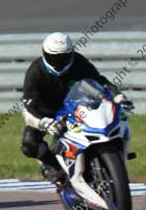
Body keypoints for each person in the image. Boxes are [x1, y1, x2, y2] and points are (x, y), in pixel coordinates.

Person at [21, 32, 133, 184]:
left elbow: (98, 81)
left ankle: (112, 155)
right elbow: (30, 106)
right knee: (29, 144)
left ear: (71, 54)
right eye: (54, 57)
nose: (59, 62)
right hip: (46, 113)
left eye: (63, 57)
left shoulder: (79, 62)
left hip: (75, 107)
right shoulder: (36, 71)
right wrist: (44, 122)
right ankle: (52, 166)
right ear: (44, 54)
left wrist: (118, 96)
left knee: (106, 122)